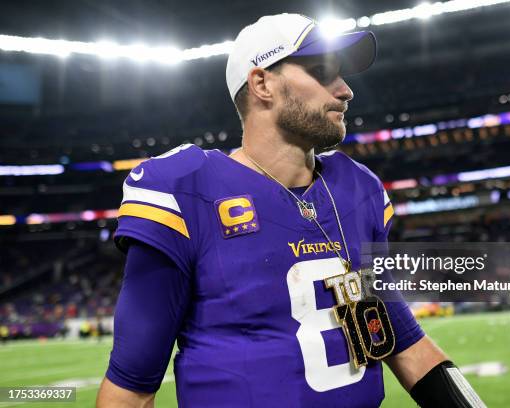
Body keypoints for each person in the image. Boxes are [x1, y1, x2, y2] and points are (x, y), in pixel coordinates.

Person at [97, 13, 485, 407]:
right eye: (322, 72)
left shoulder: (357, 189)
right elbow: (131, 387)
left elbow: (401, 338)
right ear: (262, 83)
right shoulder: (186, 191)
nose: (345, 90)